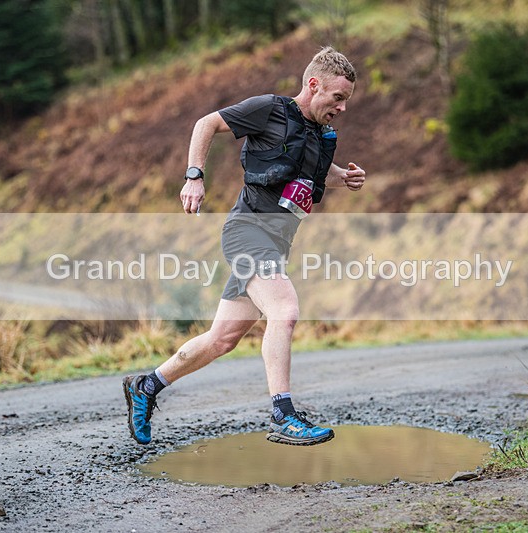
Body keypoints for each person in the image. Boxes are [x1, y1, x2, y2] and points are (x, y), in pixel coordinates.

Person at [123, 46, 366, 446]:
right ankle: (283, 414)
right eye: (337, 98)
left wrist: (346, 178)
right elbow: (206, 124)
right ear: (313, 85)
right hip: (247, 231)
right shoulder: (269, 110)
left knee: (222, 338)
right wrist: (194, 176)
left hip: (276, 242)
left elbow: (315, 174)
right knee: (285, 311)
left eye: (346, 102)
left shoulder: (321, 136)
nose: (341, 108)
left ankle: (147, 386)